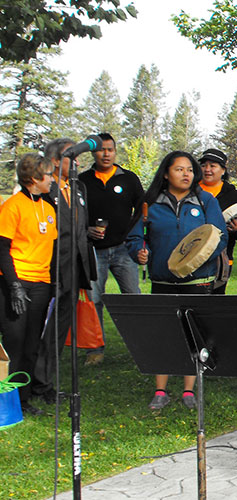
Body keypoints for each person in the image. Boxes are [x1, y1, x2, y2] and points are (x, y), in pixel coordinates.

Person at [126, 151, 227, 410]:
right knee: (164, 336)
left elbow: (220, 237)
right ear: (166, 173)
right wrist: (139, 251)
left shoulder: (206, 201)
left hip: (198, 282)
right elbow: (136, 237)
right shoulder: (151, 203)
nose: (187, 174)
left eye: (190, 170)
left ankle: (188, 391)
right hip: (163, 281)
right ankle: (160, 390)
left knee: (195, 335)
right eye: (180, 169)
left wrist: (197, 259)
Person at [33, 139, 97, 405]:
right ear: (56, 162)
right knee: (44, 328)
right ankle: (34, 384)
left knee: (60, 331)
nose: (79, 163)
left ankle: (48, 383)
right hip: (51, 269)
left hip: (75, 267)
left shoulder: (78, 188)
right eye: (73, 158)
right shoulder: (44, 193)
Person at [78, 132, 143, 366]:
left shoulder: (129, 179)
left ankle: (143, 347)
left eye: (110, 149)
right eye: (101, 149)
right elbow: (74, 215)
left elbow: (142, 209)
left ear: (115, 152)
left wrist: (135, 236)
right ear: (93, 153)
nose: (106, 153)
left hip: (124, 249)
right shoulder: (82, 181)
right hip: (94, 250)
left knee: (133, 298)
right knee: (94, 300)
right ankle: (95, 350)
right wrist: (86, 230)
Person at [0, 154, 57, 416]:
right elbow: (2, 249)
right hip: (16, 283)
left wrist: (54, 282)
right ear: (34, 178)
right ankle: (8, 402)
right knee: (15, 343)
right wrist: (14, 286)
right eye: (48, 175)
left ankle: (24, 399)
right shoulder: (13, 206)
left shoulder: (49, 207)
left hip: (41, 283)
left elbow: (51, 248)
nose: (52, 179)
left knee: (32, 344)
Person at [197, 148, 237, 294]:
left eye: (213, 166)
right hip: (192, 253)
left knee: (215, 300)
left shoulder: (233, 195)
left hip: (220, 259)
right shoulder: (190, 191)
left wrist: (236, 229)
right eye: (204, 165)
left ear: (223, 170)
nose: (207, 170)